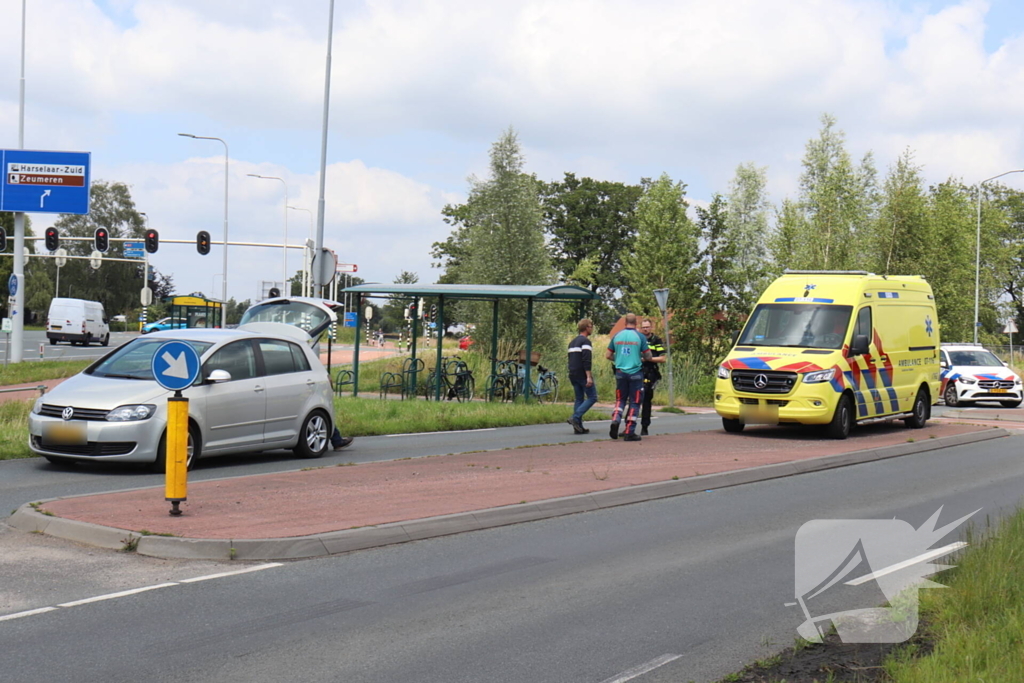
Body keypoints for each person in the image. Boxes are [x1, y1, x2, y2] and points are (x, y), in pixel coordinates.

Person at [606, 313, 652, 442]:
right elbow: (648, 356)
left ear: (625, 323)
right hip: (635, 373)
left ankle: (615, 419)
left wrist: (619, 358)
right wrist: (639, 357)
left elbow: (608, 355)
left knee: (620, 400)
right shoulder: (640, 337)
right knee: (635, 402)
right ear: (636, 323)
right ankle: (629, 431)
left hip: (620, 373)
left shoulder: (617, 336)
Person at [567, 318, 597, 434]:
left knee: (579, 398)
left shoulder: (572, 342)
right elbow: (586, 359)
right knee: (592, 397)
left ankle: (578, 427)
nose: (592, 328)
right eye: (591, 326)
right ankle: (575, 417)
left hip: (573, 373)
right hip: (582, 374)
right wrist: (588, 376)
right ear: (586, 328)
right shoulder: (585, 342)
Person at [639, 318, 667, 436]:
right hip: (636, 371)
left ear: (651, 327)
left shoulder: (656, 340)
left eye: (647, 327)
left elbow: (663, 358)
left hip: (650, 372)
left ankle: (645, 427)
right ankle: (629, 427)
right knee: (634, 400)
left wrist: (648, 359)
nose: (645, 329)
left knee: (646, 400)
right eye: (643, 327)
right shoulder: (637, 339)